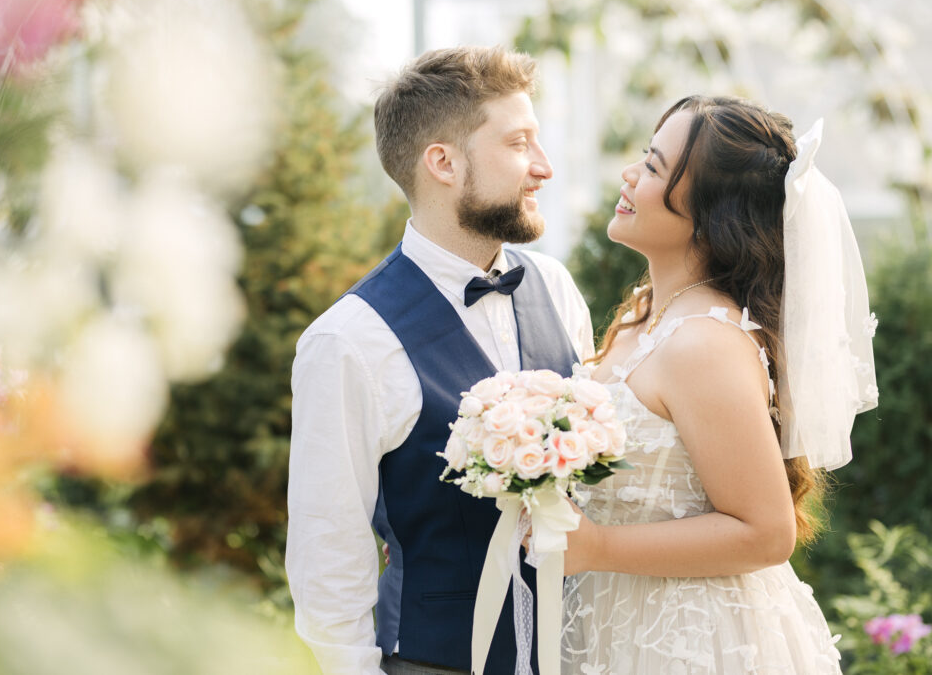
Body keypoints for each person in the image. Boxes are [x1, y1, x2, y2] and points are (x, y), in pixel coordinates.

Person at [285, 46, 594, 675]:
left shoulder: (556, 288)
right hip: (433, 660)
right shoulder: (348, 341)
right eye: (519, 143)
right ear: (443, 163)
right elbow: (328, 550)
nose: (544, 167)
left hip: (578, 652)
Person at [559, 96, 877, 673]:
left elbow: (766, 532)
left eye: (653, 168)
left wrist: (595, 547)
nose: (630, 175)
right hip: (613, 622)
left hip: (692, 638)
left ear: (710, 214)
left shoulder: (704, 342)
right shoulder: (647, 312)